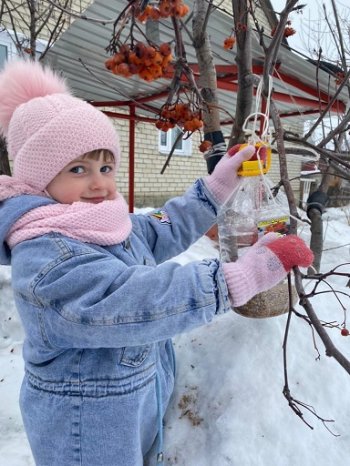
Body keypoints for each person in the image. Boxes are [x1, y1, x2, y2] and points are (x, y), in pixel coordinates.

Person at [0, 60, 313, 466]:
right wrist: (238, 277)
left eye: (105, 166)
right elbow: (128, 301)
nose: (99, 182)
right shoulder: (45, 256)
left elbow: (160, 229)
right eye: (78, 169)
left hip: (130, 406)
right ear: (39, 181)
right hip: (85, 428)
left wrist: (217, 186)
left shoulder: (99, 221)